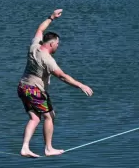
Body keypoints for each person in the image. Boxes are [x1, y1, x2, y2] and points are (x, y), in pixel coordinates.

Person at [18, 9, 92, 158]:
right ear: (51, 44)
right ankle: (48, 148)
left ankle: (25, 147)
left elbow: (40, 29)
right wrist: (81, 85)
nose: (58, 46)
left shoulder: (34, 46)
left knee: (35, 118)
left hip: (22, 87)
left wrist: (51, 17)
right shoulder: (48, 60)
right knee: (49, 116)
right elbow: (63, 76)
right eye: (57, 43)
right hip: (34, 90)